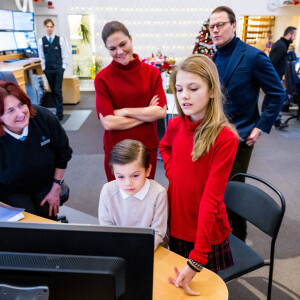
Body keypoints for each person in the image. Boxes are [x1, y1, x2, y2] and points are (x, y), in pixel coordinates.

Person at [159, 54, 239, 295]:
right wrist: (174, 175)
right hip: (178, 222)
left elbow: (210, 199)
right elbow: (164, 147)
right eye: (179, 88)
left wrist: (198, 257)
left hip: (205, 232)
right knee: (177, 290)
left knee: (206, 291)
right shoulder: (175, 125)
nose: (184, 96)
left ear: (212, 90)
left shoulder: (224, 138)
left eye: (193, 88)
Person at [209, 6, 286, 242]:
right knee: (214, 190)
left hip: (239, 137)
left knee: (231, 191)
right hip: (212, 135)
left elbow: (277, 93)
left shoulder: (253, 56)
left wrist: (260, 126)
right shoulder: (212, 58)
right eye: (212, 26)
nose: (215, 30)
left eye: (220, 24)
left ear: (234, 25)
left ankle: (238, 240)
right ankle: (220, 237)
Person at [95, 21, 167, 181]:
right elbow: (108, 123)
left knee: (146, 199)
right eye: (112, 49)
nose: (119, 51)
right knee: (118, 200)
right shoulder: (102, 79)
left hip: (146, 147)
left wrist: (124, 111)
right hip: (116, 151)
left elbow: (160, 111)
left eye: (123, 44)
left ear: (131, 39)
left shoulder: (152, 73)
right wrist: (146, 114)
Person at [0, 81, 72, 219]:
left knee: (47, 219)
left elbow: (63, 155)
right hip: (11, 190)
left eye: (21, 104)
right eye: (10, 110)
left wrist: (56, 187)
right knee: (27, 226)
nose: (21, 113)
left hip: (46, 183)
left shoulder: (44, 118)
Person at [98, 139, 167, 250]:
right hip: (118, 249)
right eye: (120, 177)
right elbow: (107, 229)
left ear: (148, 170)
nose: (128, 183)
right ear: (113, 173)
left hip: (148, 249)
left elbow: (158, 233)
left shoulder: (159, 193)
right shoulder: (107, 191)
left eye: (135, 176)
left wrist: (136, 251)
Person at [38, 18, 69, 121]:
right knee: (53, 90)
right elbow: (41, 56)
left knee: (57, 90)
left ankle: (59, 113)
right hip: (48, 69)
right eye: (48, 27)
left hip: (58, 69)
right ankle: (57, 111)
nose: (49, 29)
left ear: (53, 27)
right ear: (44, 27)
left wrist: (63, 67)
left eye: (51, 27)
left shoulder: (60, 40)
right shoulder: (41, 41)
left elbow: (65, 54)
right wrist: (43, 68)